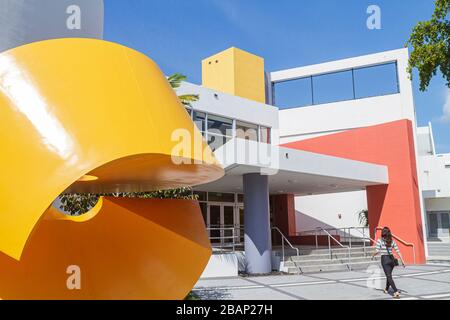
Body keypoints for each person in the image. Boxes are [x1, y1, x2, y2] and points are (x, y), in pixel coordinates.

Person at [371, 227, 405, 299]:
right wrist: (402, 260)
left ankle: (395, 292)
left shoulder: (380, 241)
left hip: (385, 259)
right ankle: (386, 289)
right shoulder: (392, 241)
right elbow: (398, 251)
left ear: (382, 233)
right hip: (392, 259)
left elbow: (377, 251)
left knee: (389, 276)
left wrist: (372, 255)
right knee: (388, 275)